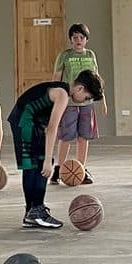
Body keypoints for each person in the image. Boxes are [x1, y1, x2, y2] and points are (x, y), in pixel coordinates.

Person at [8, 70, 103, 229]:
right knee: (37, 164)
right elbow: (51, 129)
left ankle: (32, 212)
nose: (84, 101)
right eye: (86, 97)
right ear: (79, 88)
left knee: (38, 163)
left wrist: (46, 157)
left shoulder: (62, 91)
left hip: (30, 121)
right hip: (25, 121)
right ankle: (35, 211)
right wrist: (47, 159)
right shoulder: (62, 95)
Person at [50, 23, 103, 185]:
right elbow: (56, 77)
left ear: (86, 39)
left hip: (87, 103)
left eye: (81, 37)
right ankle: (58, 169)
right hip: (69, 103)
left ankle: (81, 168)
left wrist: (103, 99)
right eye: (75, 38)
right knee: (66, 136)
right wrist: (55, 98)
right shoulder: (65, 56)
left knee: (83, 137)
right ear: (71, 40)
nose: (78, 40)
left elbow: (96, 78)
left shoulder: (90, 55)